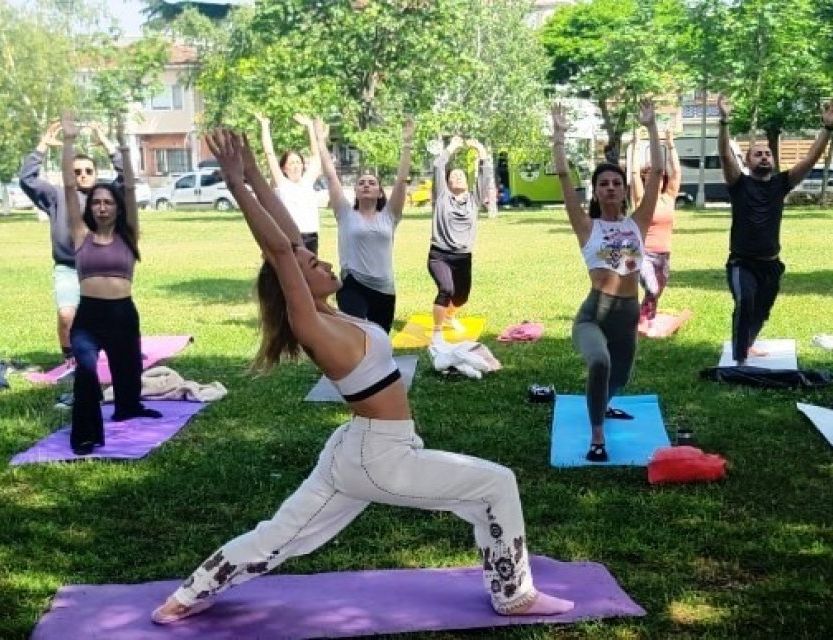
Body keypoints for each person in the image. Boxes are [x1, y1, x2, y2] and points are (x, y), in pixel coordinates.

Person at [151, 129, 574, 624]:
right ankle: (514, 595)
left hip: (355, 449)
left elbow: (288, 240)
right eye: (312, 264)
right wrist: (233, 180)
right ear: (294, 284)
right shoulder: (313, 324)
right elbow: (281, 251)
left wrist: (249, 168)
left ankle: (188, 595)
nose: (322, 260)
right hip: (380, 456)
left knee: (281, 535)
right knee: (497, 485)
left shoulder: (333, 315)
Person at [552, 100, 664, 463]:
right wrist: (558, 135)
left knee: (621, 375)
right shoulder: (587, 226)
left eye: (617, 182)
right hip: (594, 314)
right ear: (597, 192)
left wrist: (650, 128)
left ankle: (605, 403)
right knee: (600, 362)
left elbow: (658, 174)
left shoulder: (638, 222)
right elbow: (565, 179)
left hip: (627, 315)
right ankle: (597, 436)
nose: (612, 188)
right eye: (604, 184)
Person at [58, 112, 160, 455]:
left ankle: (128, 405)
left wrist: (120, 146)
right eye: (97, 202)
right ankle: (86, 435)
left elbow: (130, 186)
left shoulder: (129, 236)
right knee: (87, 371)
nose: (102, 206)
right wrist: (69, 142)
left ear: (117, 207)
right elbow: (70, 187)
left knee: (127, 365)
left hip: (122, 312)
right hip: (89, 316)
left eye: (108, 202)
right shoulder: (80, 234)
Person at [717, 93, 833, 365]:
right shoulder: (739, 184)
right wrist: (724, 121)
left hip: (771, 264)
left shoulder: (781, 184)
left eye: (767, 153)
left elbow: (810, 158)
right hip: (742, 263)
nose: (763, 157)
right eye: (757, 154)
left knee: (761, 312)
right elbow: (725, 156)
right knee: (745, 302)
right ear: (748, 162)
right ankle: (739, 362)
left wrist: (828, 128)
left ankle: (747, 345)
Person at [19, 120, 124, 364]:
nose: (83, 176)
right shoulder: (56, 196)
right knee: (67, 316)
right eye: (76, 172)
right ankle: (70, 360)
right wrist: (43, 145)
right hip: (67, 268)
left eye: (88, 171)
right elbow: (27, 179)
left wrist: (106, 142)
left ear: (96, 174)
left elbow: (126, 176)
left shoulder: (106, 195)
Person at [314, 116, 414, 332]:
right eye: (361, 183)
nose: (366, 185)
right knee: (358, 334)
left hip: (384, 288)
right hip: (353, 285)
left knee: (380, 339)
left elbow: (401, 180)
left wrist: (406, 144)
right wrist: (321, 142)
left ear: (379, 192)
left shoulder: (390, 215)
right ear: (356, 192)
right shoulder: (345, 213)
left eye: (371, 183)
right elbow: (331, 177)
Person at [427, 136, 492, 344]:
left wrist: (480, 150)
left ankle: (449, 317)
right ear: (446, 183)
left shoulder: (474, 199)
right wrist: (452, 147)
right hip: (440, 255)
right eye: (453, 176)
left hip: (463, 257)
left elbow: (485, 174)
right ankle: (437, 331)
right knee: (446, 290)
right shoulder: (442, 197)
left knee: (461, 297)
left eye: (462, 175)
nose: (458, 177)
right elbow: (438, 166)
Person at [627, 126, 682, 335]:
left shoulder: (669, 198)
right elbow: (633, 174)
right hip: (644, 254)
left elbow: (676, 172)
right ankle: (641, 321)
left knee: (656, 293)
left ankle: (646, 319)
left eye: (658, 176)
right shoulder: (641, 199)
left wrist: (670, 144)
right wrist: (635, 144)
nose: (654, 179)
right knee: (652, 288)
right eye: (649, 176)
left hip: (664, 256)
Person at [254, 113, 323, 254]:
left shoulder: (307, 182)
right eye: (291, 163)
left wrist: (310, 127)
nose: (296, 166)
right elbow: (270, 154)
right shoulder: (282, 184)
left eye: (298, 162)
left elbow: (316, 156)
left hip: (311, 237)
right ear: (284, 168)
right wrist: (265, 126)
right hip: (290, 237)